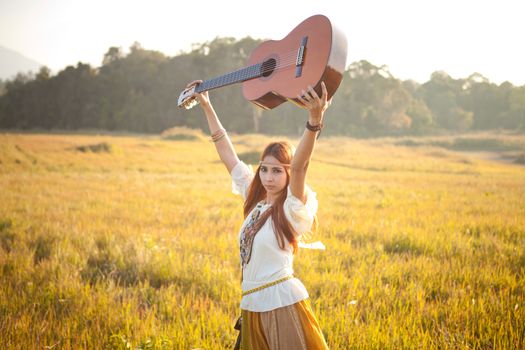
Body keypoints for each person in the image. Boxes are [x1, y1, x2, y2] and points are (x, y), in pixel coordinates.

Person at [188, 79, 331, 349]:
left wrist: (314, 122)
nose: (268, 177)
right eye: (264, 169)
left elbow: (300, 166)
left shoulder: (291, 208)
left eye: (277, 171)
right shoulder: (255, 200)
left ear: (288, 175)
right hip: (251, 305)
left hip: (281, 303)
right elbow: (226, 153)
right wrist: (206, 105)